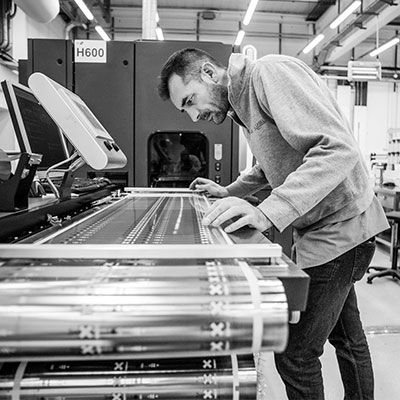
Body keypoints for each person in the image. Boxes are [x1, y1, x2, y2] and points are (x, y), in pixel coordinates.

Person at [157, 48, 389, 400]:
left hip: (343, 227)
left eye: (190, 101)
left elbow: (336, 150)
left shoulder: (268, 74)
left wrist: (265, 212)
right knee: (347, 337)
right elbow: (271, 165)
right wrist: (230, 191)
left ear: (207, 72)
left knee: (295, 353)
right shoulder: (241, 105)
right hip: (328, 229)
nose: (192, 117)